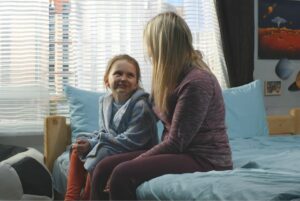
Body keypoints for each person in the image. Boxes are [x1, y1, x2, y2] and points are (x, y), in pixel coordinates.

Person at [90, 12, 233, 201]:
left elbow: (176, 142)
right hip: (181, 153)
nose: (148, 51)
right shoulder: (170, 78)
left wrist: (137, 161)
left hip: (205, 159)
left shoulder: (197, 82)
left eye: (150, 44)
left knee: (122, 173)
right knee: (103, 167)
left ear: (163, 45)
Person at [64, 54, 158, 201]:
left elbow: (133, 140)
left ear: (136, 83)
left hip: (137, 150)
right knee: (78, 148)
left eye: (130, 75)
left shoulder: (141, 106)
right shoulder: (105, 102)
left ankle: (89, 197)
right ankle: (71, 197)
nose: (123, 78)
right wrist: (89, 143)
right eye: (118, 73)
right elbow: (105, 132)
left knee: (100, 152)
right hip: (115, 146)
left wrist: (97, 143)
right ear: (107, 80)